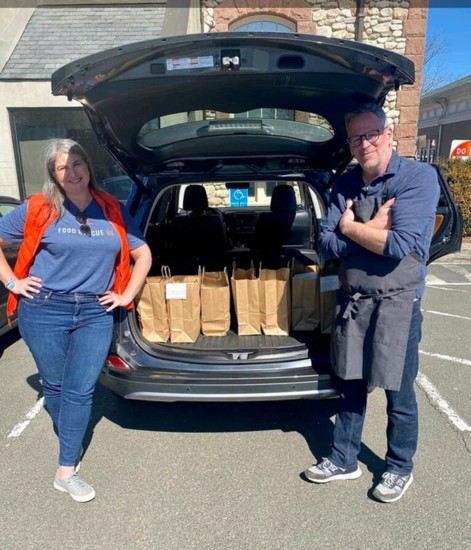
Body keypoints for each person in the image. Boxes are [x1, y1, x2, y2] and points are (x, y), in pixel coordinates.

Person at [0, 139, 152, 503]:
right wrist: (12, 281)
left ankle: (65, 470)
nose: (73, 172)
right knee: (54, 386)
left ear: (89, 166)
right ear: (53, 174)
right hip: (44, 308)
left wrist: (127, 294)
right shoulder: (39, 208)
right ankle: (70, 432)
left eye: (78, 163)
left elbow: (142, 252)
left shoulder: (110, 207)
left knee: (81, 388)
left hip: (95, 311)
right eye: (63, 167)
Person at [304, 103, 440, 503]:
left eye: (371, 134)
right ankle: (344, 459)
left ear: (389, 132)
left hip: (398, 304)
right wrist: (367, 228)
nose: (365, 144)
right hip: (353, 301)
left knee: (398, 393)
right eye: (356, 138)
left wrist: (349, 227)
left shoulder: (418, 178)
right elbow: (326, 242)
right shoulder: (344, 183)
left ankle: (399, 467)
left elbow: (400, 244)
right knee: (350, 384)